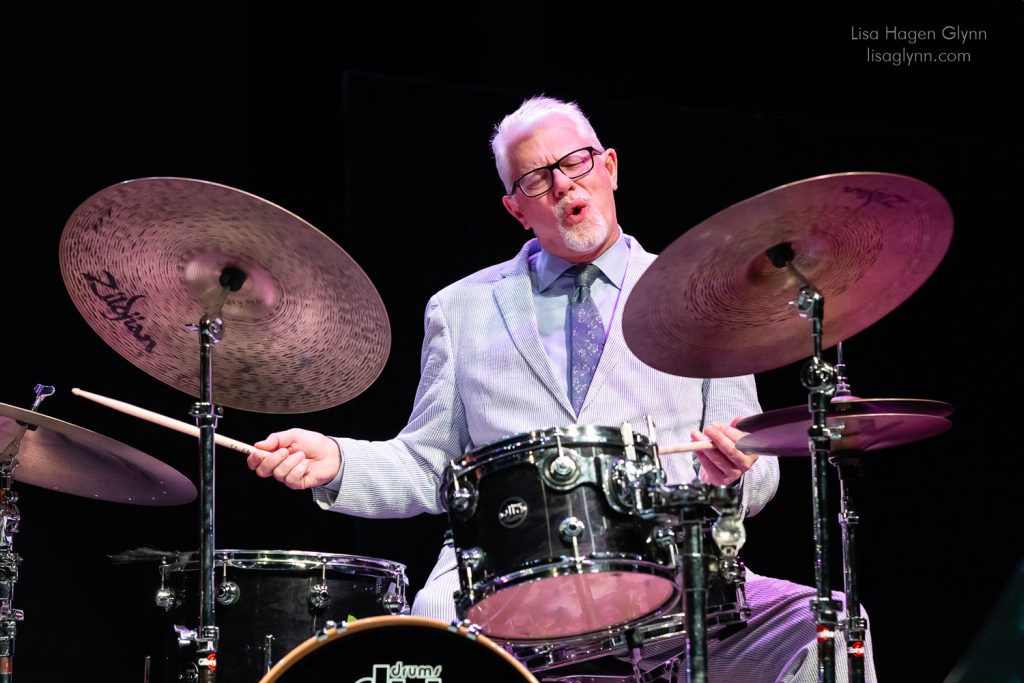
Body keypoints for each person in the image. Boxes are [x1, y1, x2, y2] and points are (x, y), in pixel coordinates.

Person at [247, 96, 876, 682]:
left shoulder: (702, 295)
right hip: (504, 583)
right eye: (535, 179)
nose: (562, 185)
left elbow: (757, 464)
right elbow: (430, 463)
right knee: (424, 640)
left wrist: (734, 470)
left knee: (830, 626)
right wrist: (338, 461)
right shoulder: (461, 309)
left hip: (675, 579)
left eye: (575, 162)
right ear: (515, 210)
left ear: (610, 168)